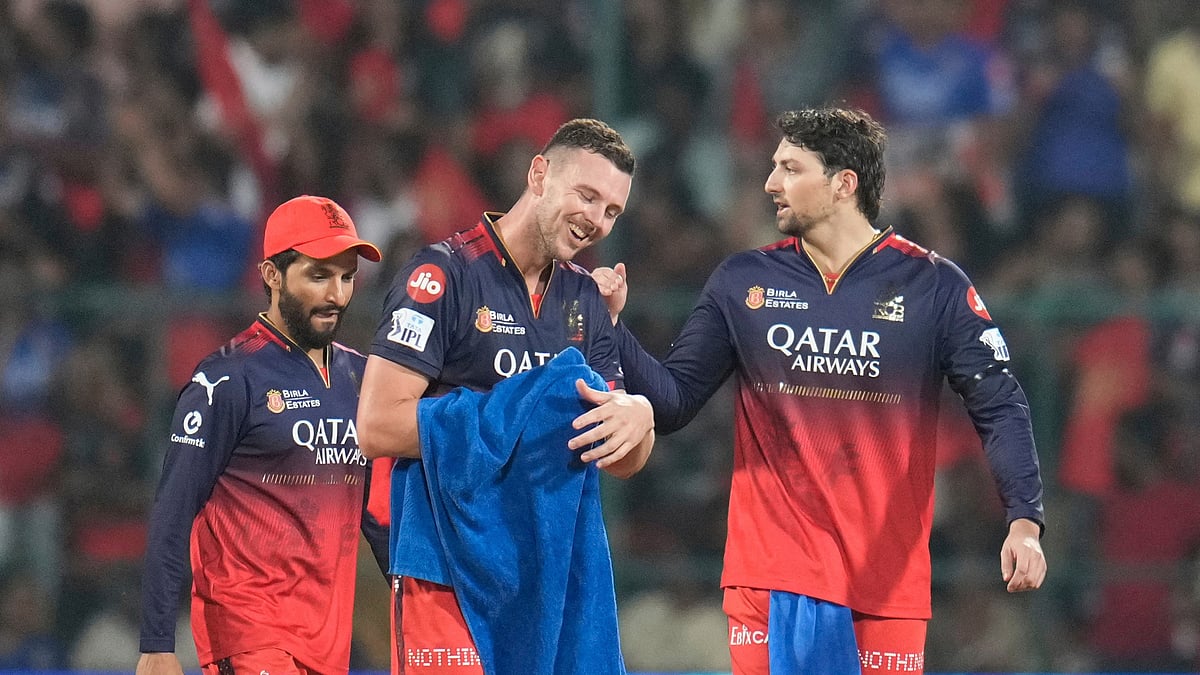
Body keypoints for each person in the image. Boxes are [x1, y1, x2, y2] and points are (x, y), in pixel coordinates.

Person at [592, 107, 1047, 675]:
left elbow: (999, 405)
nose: (770, 183)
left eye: (790, 168)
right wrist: (613, 327)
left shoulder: (933, 286)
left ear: (843, 184)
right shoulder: (744, 281)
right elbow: (675, 401)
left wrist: (1024, 520)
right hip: (767, 578)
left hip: (882, 585)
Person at [356, 118, 656, 673]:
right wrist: (522, 405)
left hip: (543, 576)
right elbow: (376, 425)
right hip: (443, 567)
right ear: (539, 175)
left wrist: (639, 418)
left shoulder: (583, 302)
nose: (596, 220)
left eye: (613, 211)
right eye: (587, 196)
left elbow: (622, 459)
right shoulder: (442, 275)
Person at [136, 195, 390, 675]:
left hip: (328, 647)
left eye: (347, 277)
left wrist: (424, 612)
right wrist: (156, 643)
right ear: (272, 275)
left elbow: (380, 519)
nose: (337, 294)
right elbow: (173, 510)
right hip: (248, 638)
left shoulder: (364, 380)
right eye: (319, 275)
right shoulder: (226, 379)